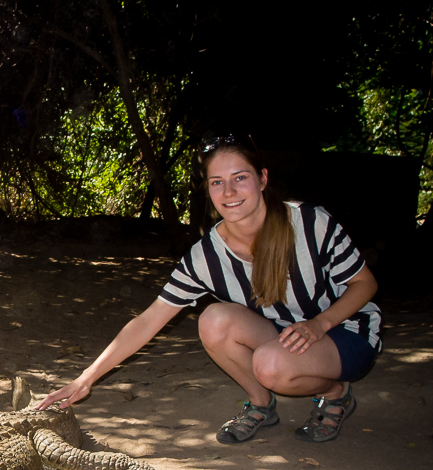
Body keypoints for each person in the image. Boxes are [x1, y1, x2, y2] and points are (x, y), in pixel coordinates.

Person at [36, 134, 382, 443]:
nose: (229, 192)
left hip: (344, 330)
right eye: (217, 182)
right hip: (282, 334)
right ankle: (261, 405)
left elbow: (365, 283)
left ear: (262, 179)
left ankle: (336, 393)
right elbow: (149, 320)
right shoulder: (206, 255)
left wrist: (318, 324)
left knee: (271, 365)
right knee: (213, 320)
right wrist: (86, 378)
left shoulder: (308, 222)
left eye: (240, 178)